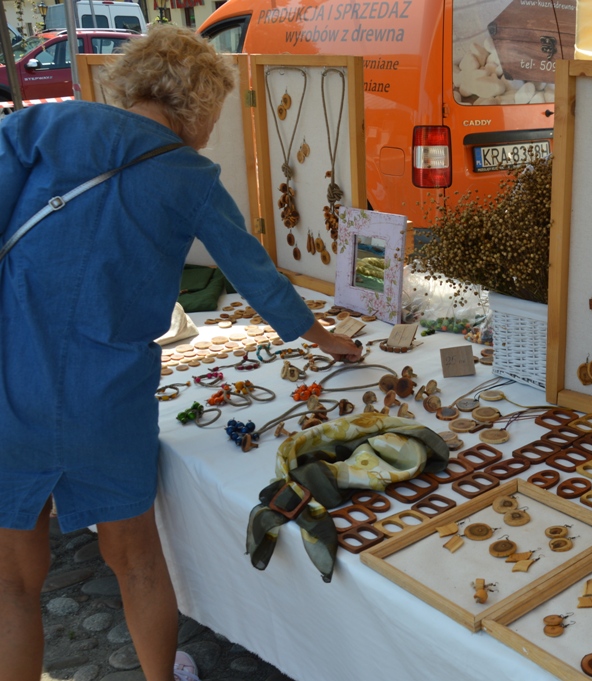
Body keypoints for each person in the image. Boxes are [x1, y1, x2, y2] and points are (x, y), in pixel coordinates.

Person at [0, 25, 362, 681]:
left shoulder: (47, 125)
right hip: (107, 396)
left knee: (13, 580)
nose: (213, 127)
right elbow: (257, 276)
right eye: (216, 111)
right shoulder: (189, 175)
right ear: (195, 102)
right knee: (135, 558)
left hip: (11, 379)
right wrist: (327, 339)